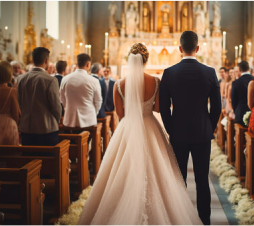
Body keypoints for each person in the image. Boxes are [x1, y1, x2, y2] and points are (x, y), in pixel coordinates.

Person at [77, 43, 203, 226]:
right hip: (150, 125)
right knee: (158, 169)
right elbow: (159, 108)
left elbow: (120, 114)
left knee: (121, 170)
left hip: (127, 128)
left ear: (130, 60)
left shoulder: (119, 85)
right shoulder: (156, 82)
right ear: (146, 61)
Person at [160, 31, 221, 226]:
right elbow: (217, 107)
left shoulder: (169, 73)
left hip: (178, 132)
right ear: (197, 48)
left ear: (179, 49)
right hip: (202, 133)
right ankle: (204, 221)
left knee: (179, 179)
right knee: (203, 180)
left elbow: (163, 107)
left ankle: (180, 220)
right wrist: (208, 126)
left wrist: (170, 128)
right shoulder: (210, 72)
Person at [17, 47, 62, 146]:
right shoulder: (50, 80)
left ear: (32, 60)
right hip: (46, 129)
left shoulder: (20, 78)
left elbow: (19, 102)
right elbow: (56, 106)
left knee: (29, 160)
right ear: (46, 60)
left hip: (26, 128)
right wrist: (57, 120)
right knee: (48, 160)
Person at [60, 54, 102, 128]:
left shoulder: (65, 79)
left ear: (77, 64)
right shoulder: (94, 81)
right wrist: (92, 113)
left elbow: (62, 99)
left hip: (69, 120)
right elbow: (98, 101)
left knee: (69, 139)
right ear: (88, 64)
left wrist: (68, 109)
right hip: (89, 121)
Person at [231, 61, 254, 127]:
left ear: (239, 70)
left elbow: (233, 100)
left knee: (240, 135)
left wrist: (236, 111)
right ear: (249, 69)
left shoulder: (236, 83)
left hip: (240, 112)